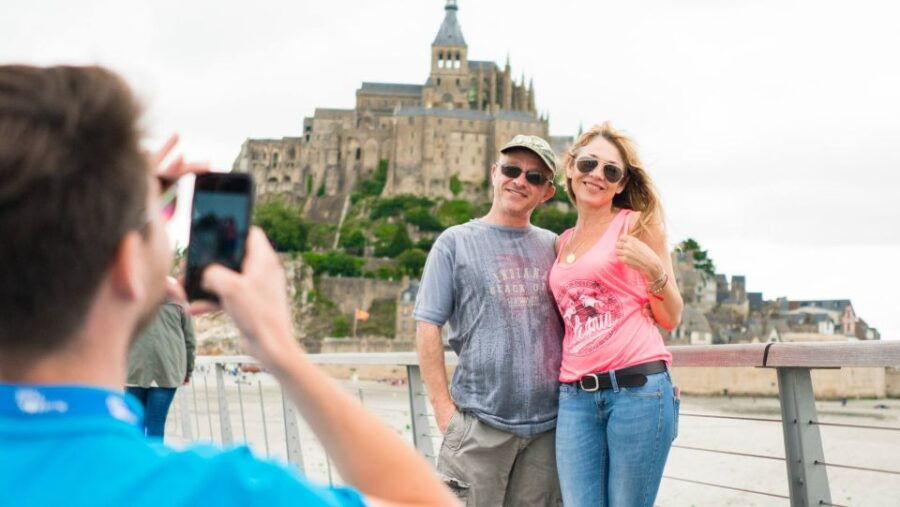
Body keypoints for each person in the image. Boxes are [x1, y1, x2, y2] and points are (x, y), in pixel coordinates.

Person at [0, 64, 455, 507]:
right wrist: (281, 351)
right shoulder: (222, 490)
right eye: (157, 218)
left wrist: (105, 213)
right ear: (125, 269)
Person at [414, 135, 564, 505]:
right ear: (494, 173)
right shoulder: (454, 242)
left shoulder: (555, 246)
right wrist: (444, 413)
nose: (520, 181)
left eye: (534, 177)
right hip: (477, 427)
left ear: (547, 192)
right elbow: (427, 326)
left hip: (547, 432)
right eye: (512, 170)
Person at [549, 122, 684, 506]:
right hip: (575, 397)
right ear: (571, 168)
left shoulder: (638, 226)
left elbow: (671, 316)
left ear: (622, 184)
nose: (597, 175)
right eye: (589, 164)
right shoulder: (561, 243)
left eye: (611, 171)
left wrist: (655, 272)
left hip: (638, 392)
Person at [126, 298, 196, 438]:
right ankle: (154, 458)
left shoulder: (131, 298)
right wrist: (188, 370)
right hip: (167, 370)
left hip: (134, 369)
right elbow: (190, 341)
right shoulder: (180, 302)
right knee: (156, 422)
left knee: (134, 420)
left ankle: (135, 458)